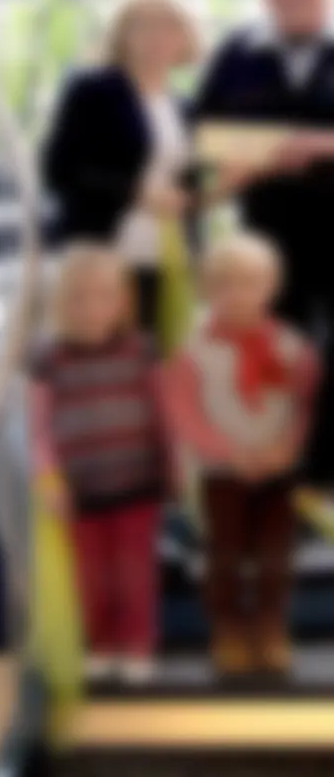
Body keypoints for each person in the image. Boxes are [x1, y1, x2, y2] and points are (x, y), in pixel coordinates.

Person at [190, 0, 334, 486]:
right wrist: (257, 153)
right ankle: (286, 471)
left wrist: (314, 147)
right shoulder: (237, 55)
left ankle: (323, 472)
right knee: (278, 352)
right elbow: (202, 133)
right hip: (268, 236)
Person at [164, 234, 320, 679]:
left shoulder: (294, 347)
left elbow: (306, 406)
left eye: (251, 282)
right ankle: (229, 628)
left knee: (275, 554)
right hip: (222, 472)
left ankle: (270, 626)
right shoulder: (193, 351)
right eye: (224, 282)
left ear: (272, 287)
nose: (238, 292)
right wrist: (229, 453)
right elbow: (184, 412)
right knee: (225, 553)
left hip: (278, 470)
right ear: (207, 290)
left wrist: (286, 448)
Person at [28, 244, 173, 686]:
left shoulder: (142, 351)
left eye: (103, 296)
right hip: (78, 489)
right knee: (89, 577)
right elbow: (37, 428)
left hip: (136, 483)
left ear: (122, 302)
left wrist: (174, 469)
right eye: (79, 297)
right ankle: (100, 646)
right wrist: (47, 479)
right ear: (60, 305)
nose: (92, 307)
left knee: (133, 574)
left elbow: (163, 414)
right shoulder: (49, 360)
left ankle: (136, 645)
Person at [41, 0, 199, 331]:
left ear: (184, 37)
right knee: (102, 364)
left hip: (167, 255)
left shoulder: (183, 107)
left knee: (158, 362)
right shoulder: (92, 90)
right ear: (123, 35)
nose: (157, 35)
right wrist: (135, 192)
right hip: (101, 255)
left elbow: (189, 178)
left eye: (168, 25)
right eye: (143, 25)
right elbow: (59, 168)